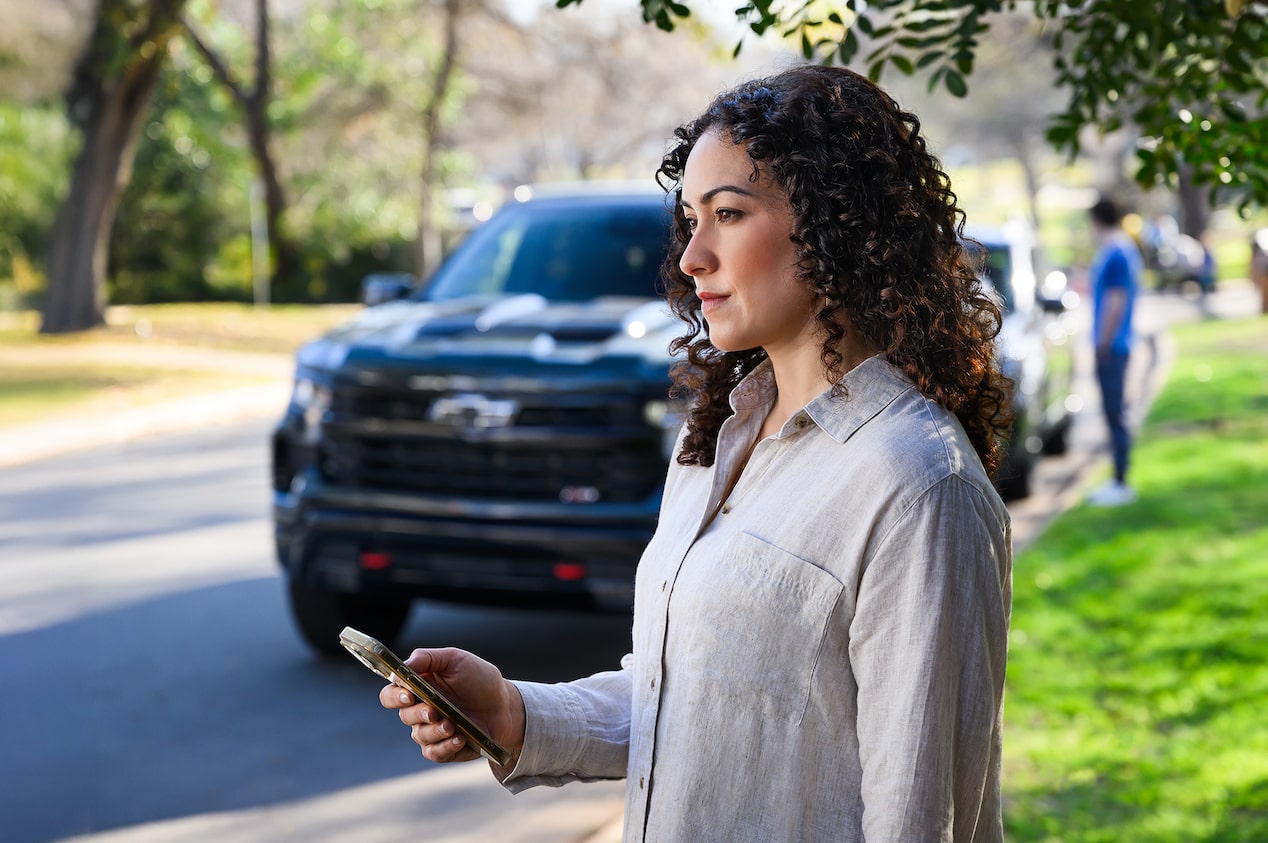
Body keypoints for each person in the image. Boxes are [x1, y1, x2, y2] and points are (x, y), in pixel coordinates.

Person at [379, 64, 1015, 841]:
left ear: (837, 223)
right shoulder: (714, 435)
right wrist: (514, 710)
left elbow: (919, 817)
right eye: (691, 218)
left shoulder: (917, 484)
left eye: (729, 214)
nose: (692, 257)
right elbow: (696, 703)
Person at [1084, 195, 1143, 507]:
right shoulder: (1120, 250)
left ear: (1096, 220)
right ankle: (1118, 478)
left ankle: (1121, 482)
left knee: (1114, 413)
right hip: (1117, 345)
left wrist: (1102, 343)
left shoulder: (1116, 253)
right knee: (1113, 413)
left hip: (1113, 347)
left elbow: (1115, 302)